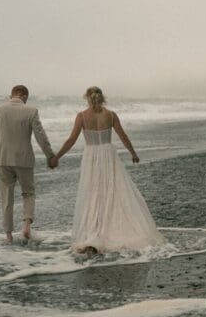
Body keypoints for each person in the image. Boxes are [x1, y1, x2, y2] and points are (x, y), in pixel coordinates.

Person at [52, 86, 163, 255]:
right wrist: (133, 153)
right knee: (113, 190)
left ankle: (93, 231)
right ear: (102, 97)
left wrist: (57, 156)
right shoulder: (110, 115)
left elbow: (71, 140)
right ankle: (112, 228)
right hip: (108, 155)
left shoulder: (82, 116)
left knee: (93, 193)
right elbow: (122, 135)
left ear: (87, 98)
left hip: (91, 156)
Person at [0, 84, 56, 244]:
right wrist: (50, 155)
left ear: (12, 95)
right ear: (24, 95)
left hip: (2, 159)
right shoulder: (31, 111)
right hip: (24, 159)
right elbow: (41, 137)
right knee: (28, 193)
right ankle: (26, 227)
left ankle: (9, 236)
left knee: (6, 197)